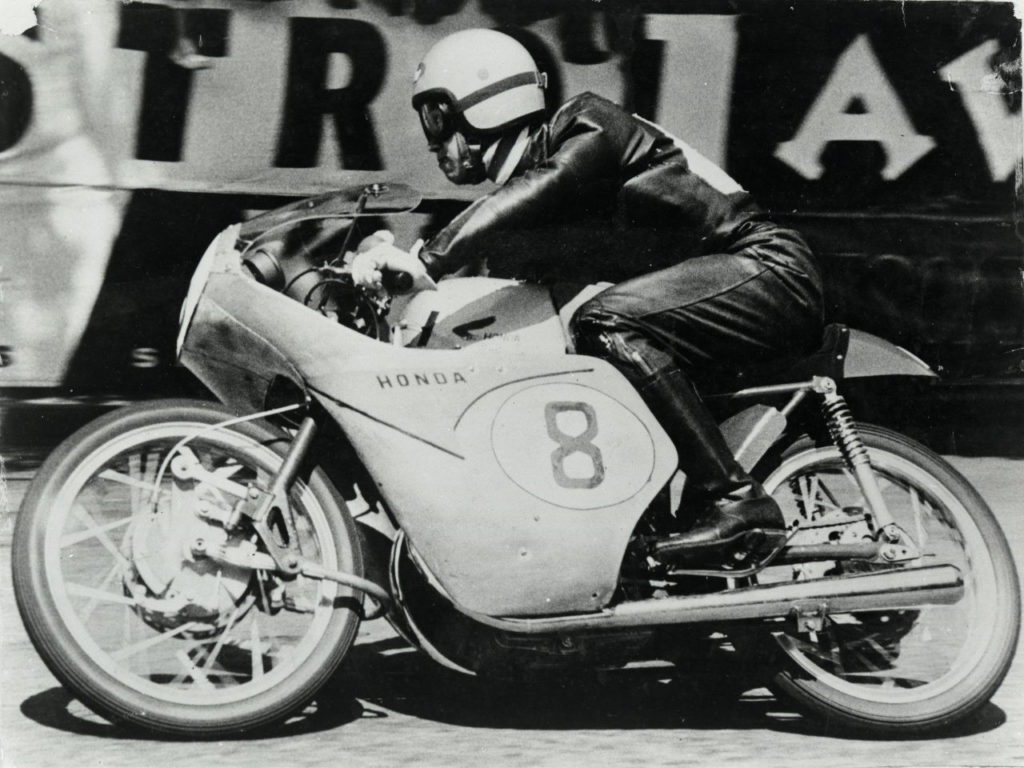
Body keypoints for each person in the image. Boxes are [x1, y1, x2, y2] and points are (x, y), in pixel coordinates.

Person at [351, 29, 824, 567]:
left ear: (484, 104)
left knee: (606, 322)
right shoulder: (527, 214)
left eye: (438, 117)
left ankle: (737, 501)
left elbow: (541, 185)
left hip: (767, 267)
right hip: (715, 289)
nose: (432, 140)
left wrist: (425, 259)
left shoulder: (588, 126)